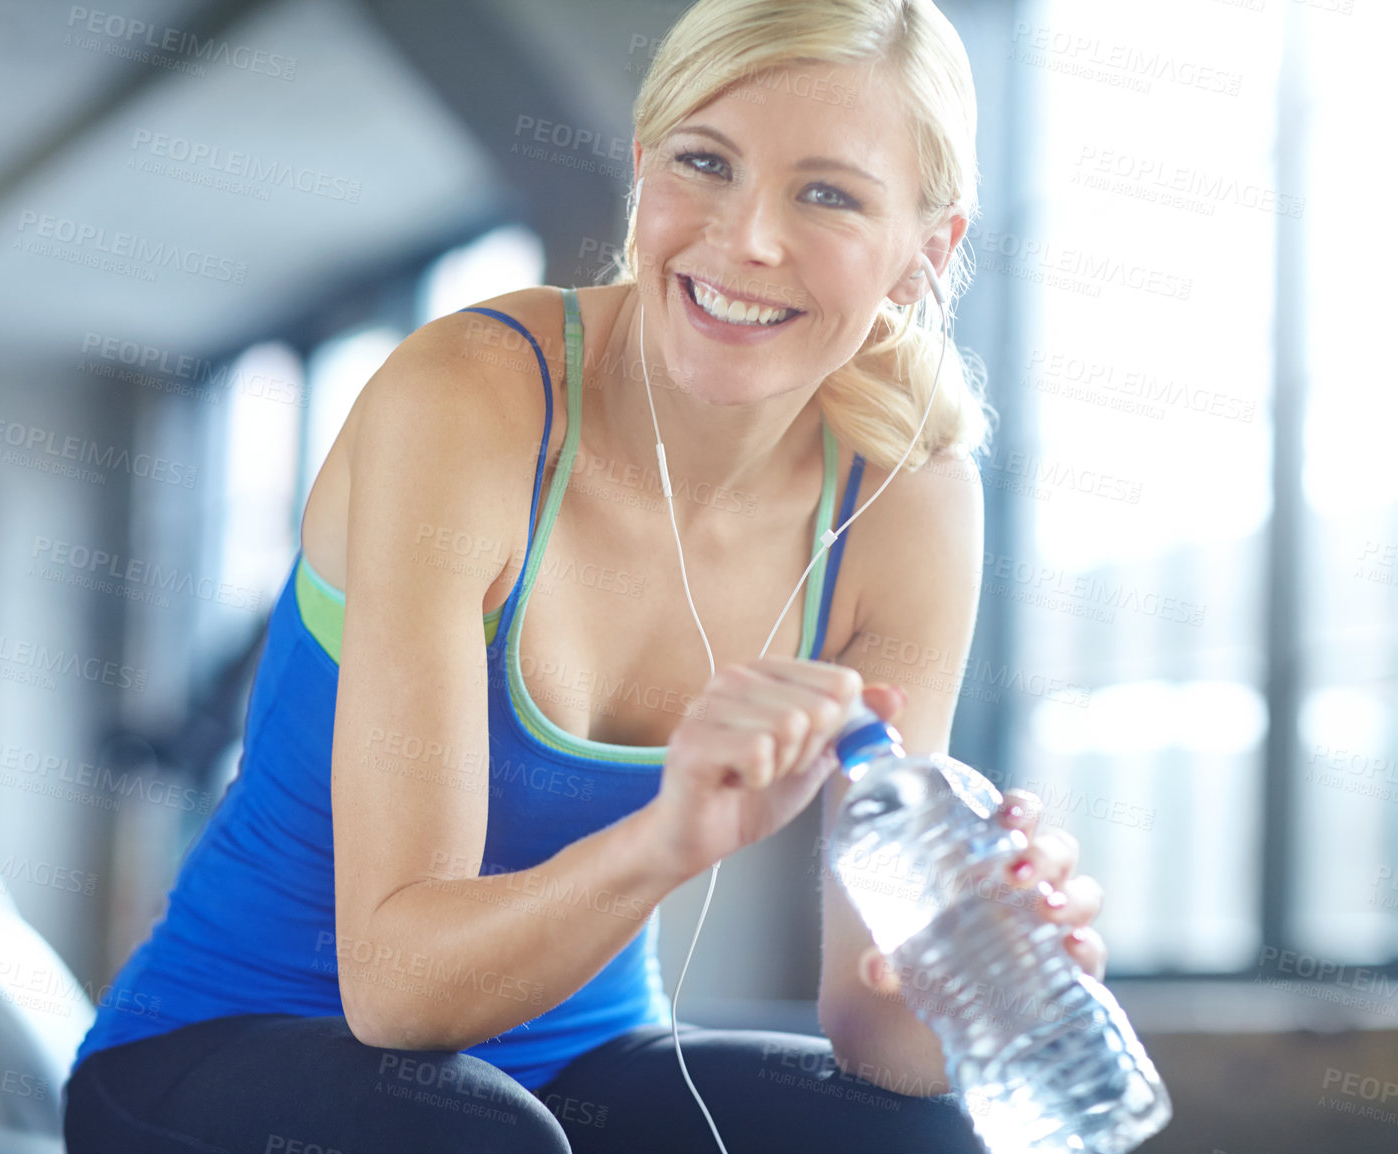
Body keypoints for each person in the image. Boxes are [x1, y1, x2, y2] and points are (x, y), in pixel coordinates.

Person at [63, 1, 1108, 1150]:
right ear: (640, 172)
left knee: (916, 1141)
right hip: (221, 1052)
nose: (746, 237)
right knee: (474, 1139)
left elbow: (884, 1048)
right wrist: (670, 835)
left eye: (828, 193)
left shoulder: (905, 496)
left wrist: (984, 953)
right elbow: (397, 992)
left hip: (576, 1071)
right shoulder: (469, 397)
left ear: (927, 250)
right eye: (703, 163)